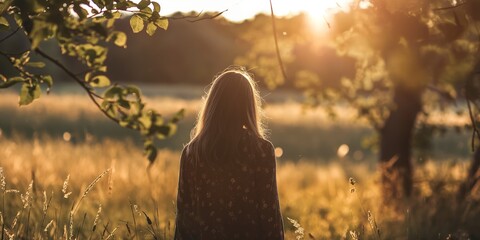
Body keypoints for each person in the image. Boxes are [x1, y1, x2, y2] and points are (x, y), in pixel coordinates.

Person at [174, 67, 284, 240]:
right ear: (248, 105)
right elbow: (269, 214)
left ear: (213, 104)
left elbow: (184, 218)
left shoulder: (192, 152)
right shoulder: (261, 150)